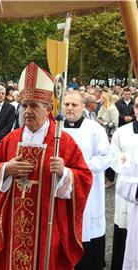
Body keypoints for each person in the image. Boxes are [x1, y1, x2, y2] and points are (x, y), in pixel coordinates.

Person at [0, 62, 92, 270]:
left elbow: (85, 177)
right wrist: (6, 169)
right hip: (16, 224)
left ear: (48, 108)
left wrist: (64, 172)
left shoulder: (62, 141)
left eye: (34, 105)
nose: (27, 111)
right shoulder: (11, 139)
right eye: (24, 105)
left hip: (48, 224)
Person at [63, 91, 111, 270]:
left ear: (83, 106)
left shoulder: (94, 129)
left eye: (74, 105)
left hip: (88, 191)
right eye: (67, 104)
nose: (69, 108)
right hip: (62, 189)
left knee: (87, 233)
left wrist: (81, 167)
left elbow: (106, 157)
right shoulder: (55, 128)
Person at [110, 93, 138, 270]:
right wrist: (134, 164)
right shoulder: (122, 132)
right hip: (128, 189)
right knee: (125, 231)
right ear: (134, 109)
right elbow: (114, 156)